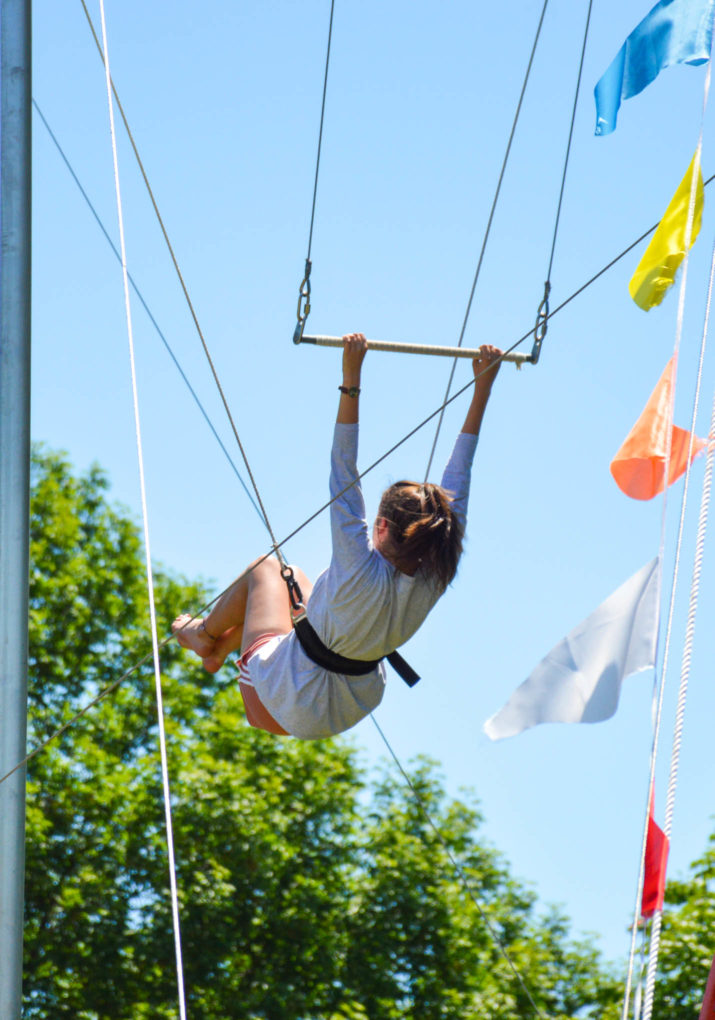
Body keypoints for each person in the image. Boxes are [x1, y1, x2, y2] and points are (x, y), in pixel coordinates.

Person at [172, 334, 502, 738]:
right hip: (335, 713)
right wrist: (483, 386)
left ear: (380, 527)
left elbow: (343, 466)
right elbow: (459, 480)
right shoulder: (438, 574)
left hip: (274, 697)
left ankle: (203, 635)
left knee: (267, 569)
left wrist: (351, 376)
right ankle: (222, 648)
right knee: (298, 579)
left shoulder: (359, 565)